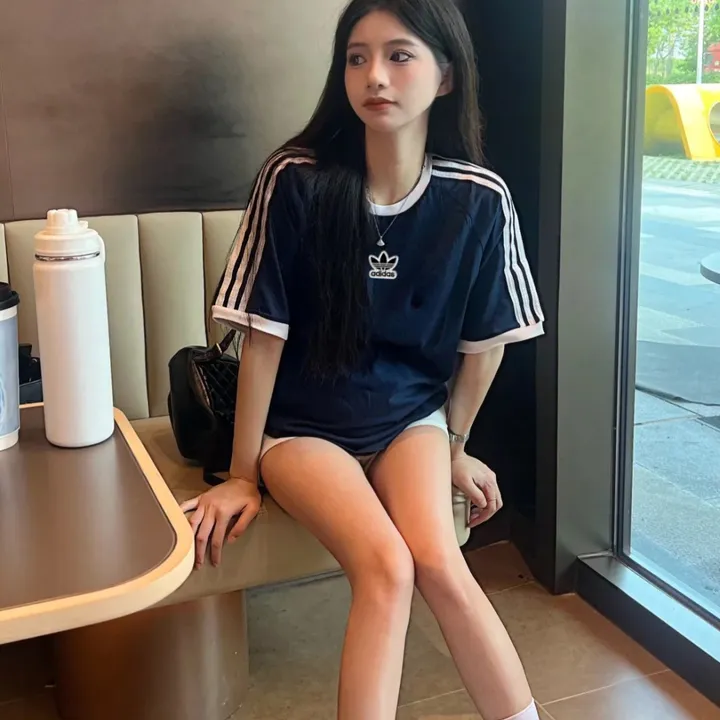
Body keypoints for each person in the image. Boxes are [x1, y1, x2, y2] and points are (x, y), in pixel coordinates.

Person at [181, 1, 545, 718]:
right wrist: (244, 474)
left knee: (441, 563)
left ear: (446, 76)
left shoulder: (478, 198)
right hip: (301, 429)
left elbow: (486, 345)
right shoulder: (296, 178)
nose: (374, 75)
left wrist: (454, 446)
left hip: (410, 420)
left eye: (399, 55)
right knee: (387, 568)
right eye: (357, 57)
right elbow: (263, 338)